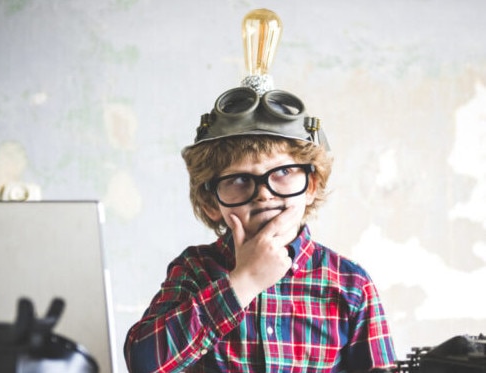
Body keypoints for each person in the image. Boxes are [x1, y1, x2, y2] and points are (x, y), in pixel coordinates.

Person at [124, 9, 396, 373]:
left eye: (282, 172)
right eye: (239, 180)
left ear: (311, 185)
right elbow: (143, 363)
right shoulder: (194, 271)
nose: (263, 195)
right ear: (210, 202)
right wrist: (244, 281)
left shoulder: (349, 285)